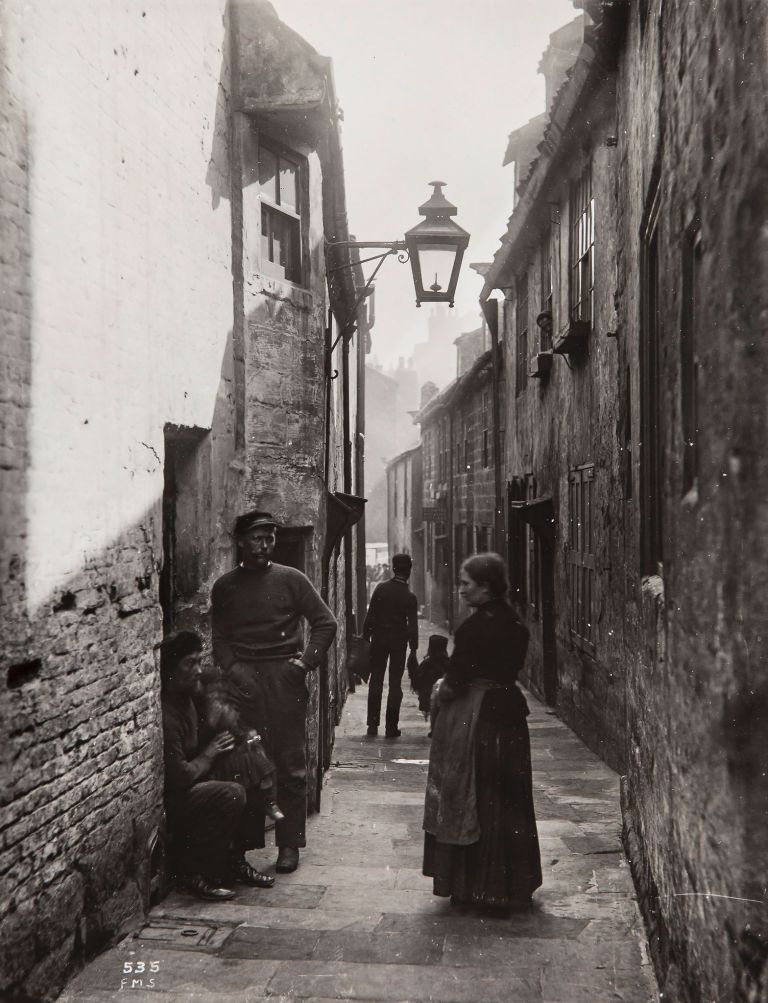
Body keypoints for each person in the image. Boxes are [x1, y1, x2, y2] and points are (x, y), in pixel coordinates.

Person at [211, 510, 337, 874]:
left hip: (285, 681)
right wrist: (234, 671)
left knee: (290, 765)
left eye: (270, 538)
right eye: (257, 538)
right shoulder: (226, 586)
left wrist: (303, 665)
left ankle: (289, 844)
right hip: (243, 685)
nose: (265, 545)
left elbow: (325, 623)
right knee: (248, 764)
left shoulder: (291, 580)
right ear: (240, 541)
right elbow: (220, 638)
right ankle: (247, 844)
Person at [422, 552, 542, 911]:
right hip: (510, 716)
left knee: (474, 797)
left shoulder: (473, 628)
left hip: (480, 721)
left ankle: (474, 885)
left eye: (466, 584)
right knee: (509, 800)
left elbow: (456, 682)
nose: (460, 590)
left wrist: (440, 691)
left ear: (486, 587)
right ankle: (512, 884)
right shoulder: (516, 623)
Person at [160, 631, 275, 900]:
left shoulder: (190, 693)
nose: (197, 670)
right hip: (178, 797)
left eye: (199, 661)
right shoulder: (167, 715)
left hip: (196, 778)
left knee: (252, 764)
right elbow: (180, 776)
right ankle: (197, 874)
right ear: (170, 670)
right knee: (231, 793)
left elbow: (215, 684)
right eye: (190, 664)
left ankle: (235, 861)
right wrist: (209, 755)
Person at [362, 552, 419, 738]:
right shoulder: (409, 597)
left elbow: (370, 616)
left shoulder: (381, 588)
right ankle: (391, 728)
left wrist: (366, 636)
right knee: (395, 684)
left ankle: (372, 725)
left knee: (376, 680)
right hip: (398, 643)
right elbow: (412, 626)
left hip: (379, 640)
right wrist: (414, 648)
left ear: (394, 569)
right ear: (409, 571)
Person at [414, 634, 451, 724]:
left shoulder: (426, 664)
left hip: (427, 697)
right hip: (443, 696)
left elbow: (418, 679)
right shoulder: (448, 664)